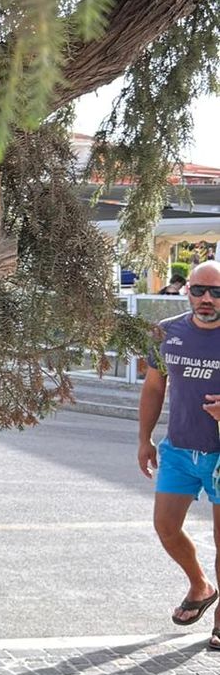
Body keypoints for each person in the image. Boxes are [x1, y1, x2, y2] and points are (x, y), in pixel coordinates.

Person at [138, 261, 220, 646]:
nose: (207, 299)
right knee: (166, 527)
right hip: (179, 450)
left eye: (216, 292)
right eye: (200, 290)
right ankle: (201, 586)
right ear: (187, 290)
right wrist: (144, 438)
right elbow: (154, 387)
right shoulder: (167, 332)